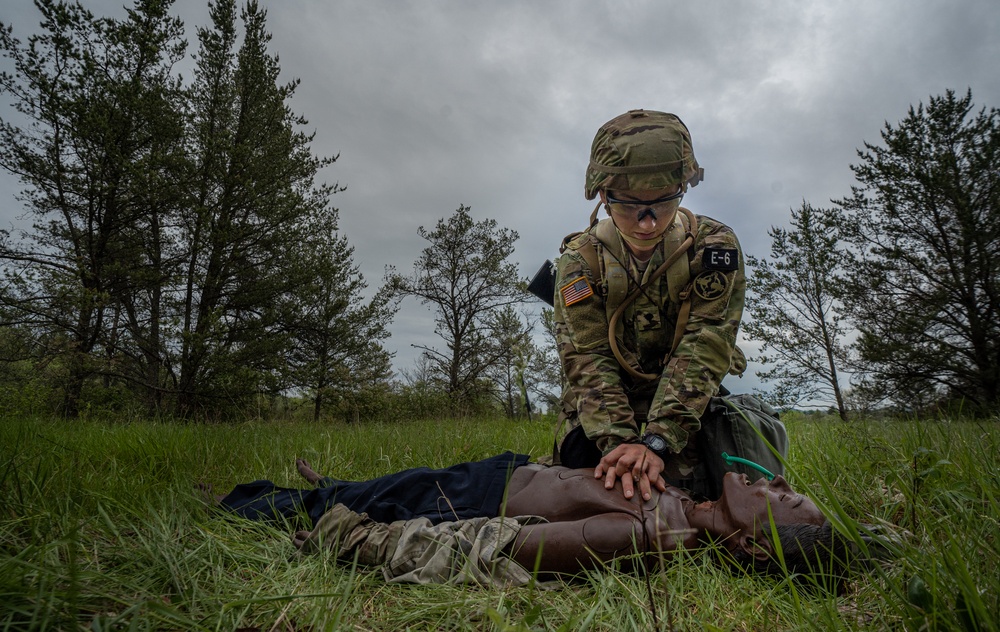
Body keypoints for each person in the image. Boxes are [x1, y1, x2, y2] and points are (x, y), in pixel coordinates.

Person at [215, 454, 850, 586]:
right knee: (360, 487)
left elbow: (506, 547)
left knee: (330, 505)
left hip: (470, 502)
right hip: (499, 474)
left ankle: (232, 504)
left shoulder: (642, 537)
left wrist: (363, 541)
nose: (783, 485)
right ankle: (333, 485)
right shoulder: (691, 503)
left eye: (786, 503)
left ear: (753, 549)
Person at [552, 109, 748, 502]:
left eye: (662, 204)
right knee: (589, 497)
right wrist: (618, 443)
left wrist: (658, 441)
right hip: (605, 409)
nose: (647, 223)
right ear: (604, 197)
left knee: (711, 496)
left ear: (683, 189)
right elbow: (587, 357)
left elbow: (706, 344)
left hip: (685, 402)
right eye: (630, 206)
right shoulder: (580, 261)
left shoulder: (713, 248)